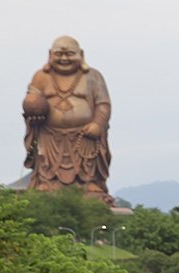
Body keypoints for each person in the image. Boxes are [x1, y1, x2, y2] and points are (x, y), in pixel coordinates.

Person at [22, 36, 114, 205]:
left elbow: (103, 104)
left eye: (70, 54)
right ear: (50, 54)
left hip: (84, 134)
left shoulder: (93, 76)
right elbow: (32, 98)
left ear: (81, 55)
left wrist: (97, 123)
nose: (64, 59)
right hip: (49, 134)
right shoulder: (41, 77)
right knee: (47, 162)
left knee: (87, 162)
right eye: (59, 54)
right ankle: (47, 183)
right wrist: (32, 110)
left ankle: (89, 183)